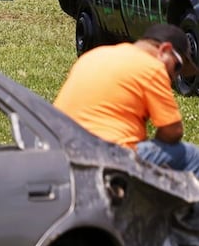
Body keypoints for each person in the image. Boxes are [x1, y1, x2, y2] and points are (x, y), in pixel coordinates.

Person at [54, 23, 199, 173]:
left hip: (60, 148)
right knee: (193, 156)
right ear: (164, 51)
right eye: (177, 67)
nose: (174, 77)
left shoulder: (93, 56)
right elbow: (173, 131)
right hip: (110, 154)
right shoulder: (151, 67)